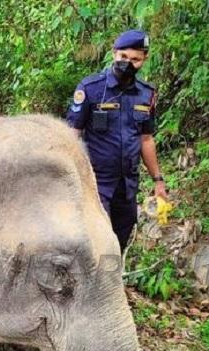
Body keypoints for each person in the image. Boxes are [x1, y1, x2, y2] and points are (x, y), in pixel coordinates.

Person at [66, 29, 167, 251]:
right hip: (96, 181)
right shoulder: (91, 89)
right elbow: (72, 135)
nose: (128, 64)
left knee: (122, 233)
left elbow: (146, 139)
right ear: (114, 54)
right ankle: (94, 284)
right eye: (123, 57)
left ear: (144, 60)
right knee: (99, 239)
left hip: (127, 184)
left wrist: (158, 180)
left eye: (135, 59)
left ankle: (112, 280)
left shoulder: (146, 94)